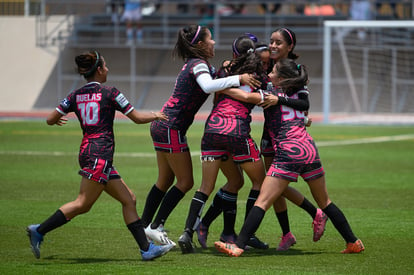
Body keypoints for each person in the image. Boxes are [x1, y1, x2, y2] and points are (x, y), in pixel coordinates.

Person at [26, 50, 174, 261]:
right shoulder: (110, 92)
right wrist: (156, 115)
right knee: (83, 203)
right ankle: (39, 230)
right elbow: (138, 118)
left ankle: (146, 249)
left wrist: (57, 119)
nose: (108, 69)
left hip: (89, 152)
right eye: (105, 66)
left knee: (128, 199)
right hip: (100, 154)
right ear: (99, 70)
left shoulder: (75, 95)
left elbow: (50, 118)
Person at [215, 59, 365, 257]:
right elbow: (302, 106)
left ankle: (238, 245)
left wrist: (220, 88)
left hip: (289, 151)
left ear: (282, 78)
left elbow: (244, 96)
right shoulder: (297, 92)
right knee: (325, 202)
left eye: (273, 72)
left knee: (263, 200)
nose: (269, 75)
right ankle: (353, 241)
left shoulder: (270, 95)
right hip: (309, 148)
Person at [141, 25, 261, 247]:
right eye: (211, 39)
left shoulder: (197, 64)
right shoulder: (198, 64)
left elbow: (213, 80)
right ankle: (154, 227)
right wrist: (239, 78)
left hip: (164, 124)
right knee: (186, 181)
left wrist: (227, 68)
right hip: (171, 126)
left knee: (165, 180)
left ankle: (144, 228)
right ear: (200, 44)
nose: (214, 43)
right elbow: (208, 86)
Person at [177, 34, 271, 254]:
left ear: (234, 54)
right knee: (260, 182)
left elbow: (213, 88)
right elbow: (259, 99)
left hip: (211, 132)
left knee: (209, 186)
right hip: (237, 133)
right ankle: (247, 235)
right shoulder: (259, 78)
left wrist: (225, 87)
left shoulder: (222, 72)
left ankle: (188, 232)